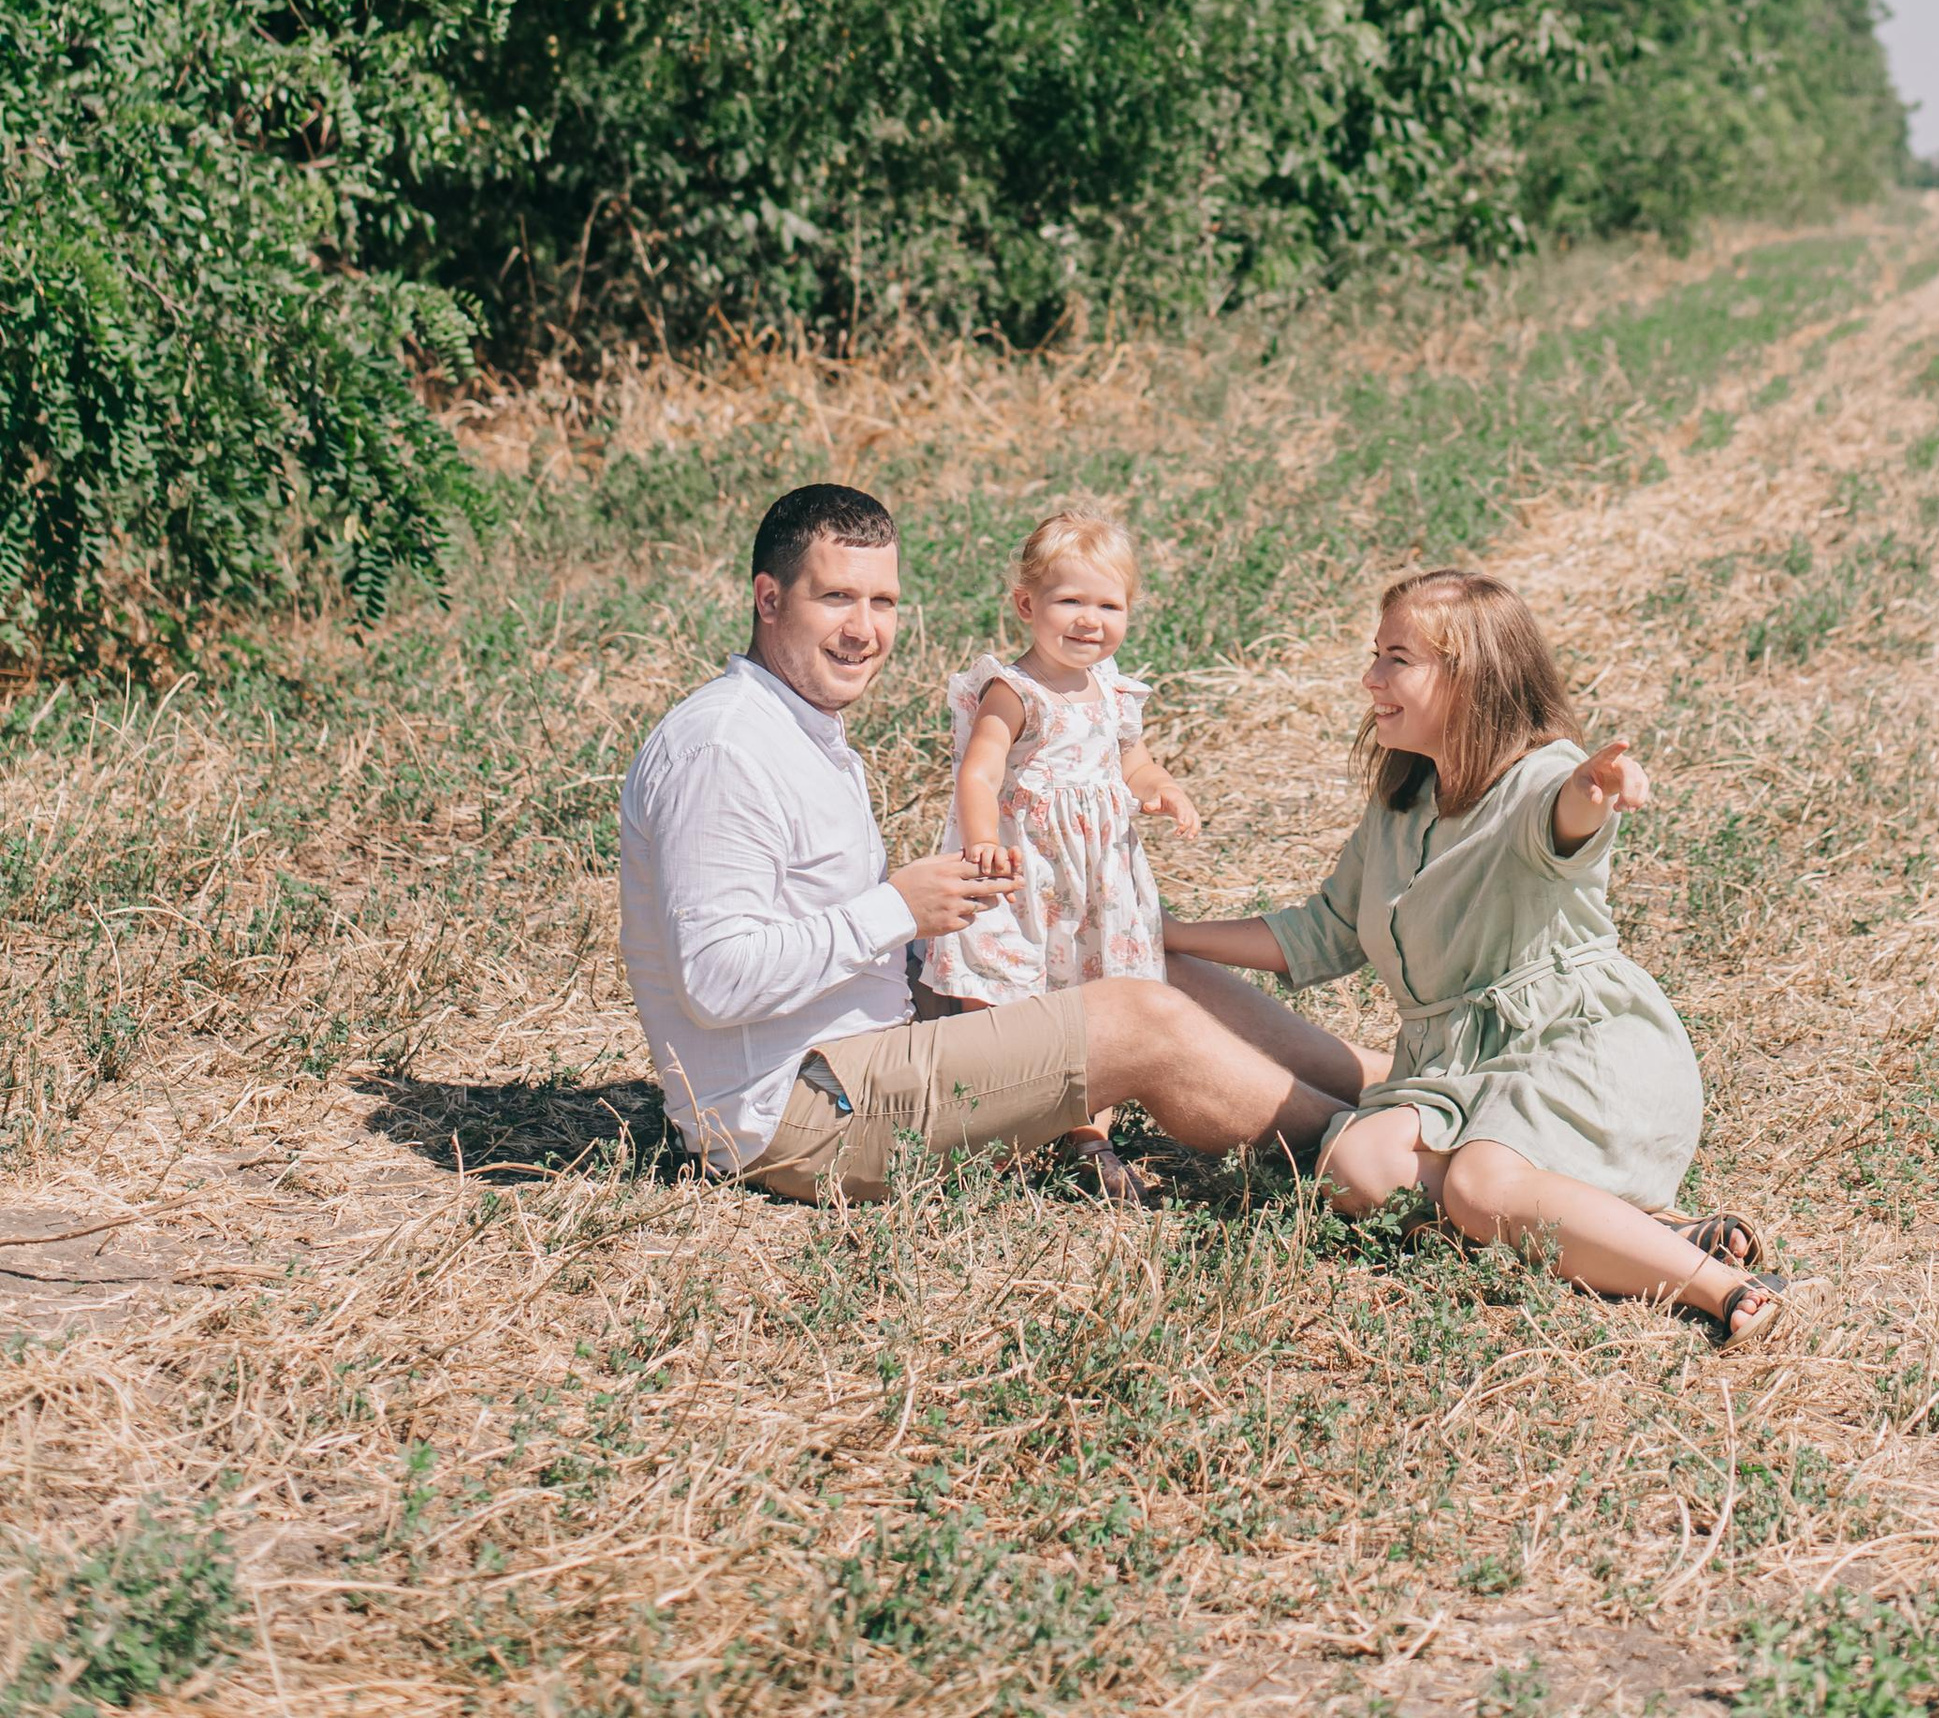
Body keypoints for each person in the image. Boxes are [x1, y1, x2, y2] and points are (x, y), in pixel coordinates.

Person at [616, 481, 1372, 1204]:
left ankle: (1393, 1086)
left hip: (868, 1046)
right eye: (836, 597)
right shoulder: (724, 749)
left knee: (1124, 955)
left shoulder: (797, 726)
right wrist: (898, 910)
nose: (864, 630)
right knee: (1139, 1016)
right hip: (803, 1114)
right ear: (769, 599)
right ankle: (1379, 1155)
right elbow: (714, 983)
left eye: (883, 602)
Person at [1163, 566, 1783, 1333]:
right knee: (1353, 1168)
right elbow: (1323, 931)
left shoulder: (1540, 777)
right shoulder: (1401, 806)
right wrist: (1171, 935)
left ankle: (1721, 1287)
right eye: (1376, 654)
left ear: (1471, 679)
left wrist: (1594, 792)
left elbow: (1564, 818)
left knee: (1478, 1186)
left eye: (1397, 659)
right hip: (1462, 1073)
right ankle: (1632, 1234)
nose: (1370, 678)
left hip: (1578, 1051)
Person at [920, 508, 1198, 1207]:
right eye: (1070, 600)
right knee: (1007, 985)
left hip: (1098, 880)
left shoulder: (1113, 691)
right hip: (1024, 872)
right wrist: (982, 840)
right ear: (1027, 605)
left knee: (1099, 989)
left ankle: (1090, 1134)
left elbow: (1133, 762)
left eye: (1109, 605)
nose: (1088, 621)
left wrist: (1161, 789)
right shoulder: (1015, 690)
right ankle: (997, 1125)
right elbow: (980, 770)